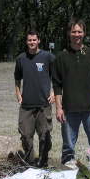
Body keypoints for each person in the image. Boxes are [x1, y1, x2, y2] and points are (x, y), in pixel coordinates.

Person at [52, 18, 90, 168]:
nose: (77, 34)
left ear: (84, 33)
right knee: (68, 145)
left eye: (79, 31)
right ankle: (68, 167)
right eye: (74, 31)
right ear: (69, 34)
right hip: (69, 110)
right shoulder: (61, 57)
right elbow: (57, 85)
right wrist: (58, 108)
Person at [14, 30, 55, 167]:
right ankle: (30, 163)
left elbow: (57, 77)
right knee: (26, 135)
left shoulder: (48, 57)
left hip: (44, 104)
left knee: (45, 135)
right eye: (29, 40)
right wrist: (18, 93)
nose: (32, 42)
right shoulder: (21, 58)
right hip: (26, 105)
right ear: (26, 42)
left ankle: (43, 163)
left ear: (39, 41)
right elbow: (17, 78)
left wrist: (54, 93)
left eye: (34, 40)